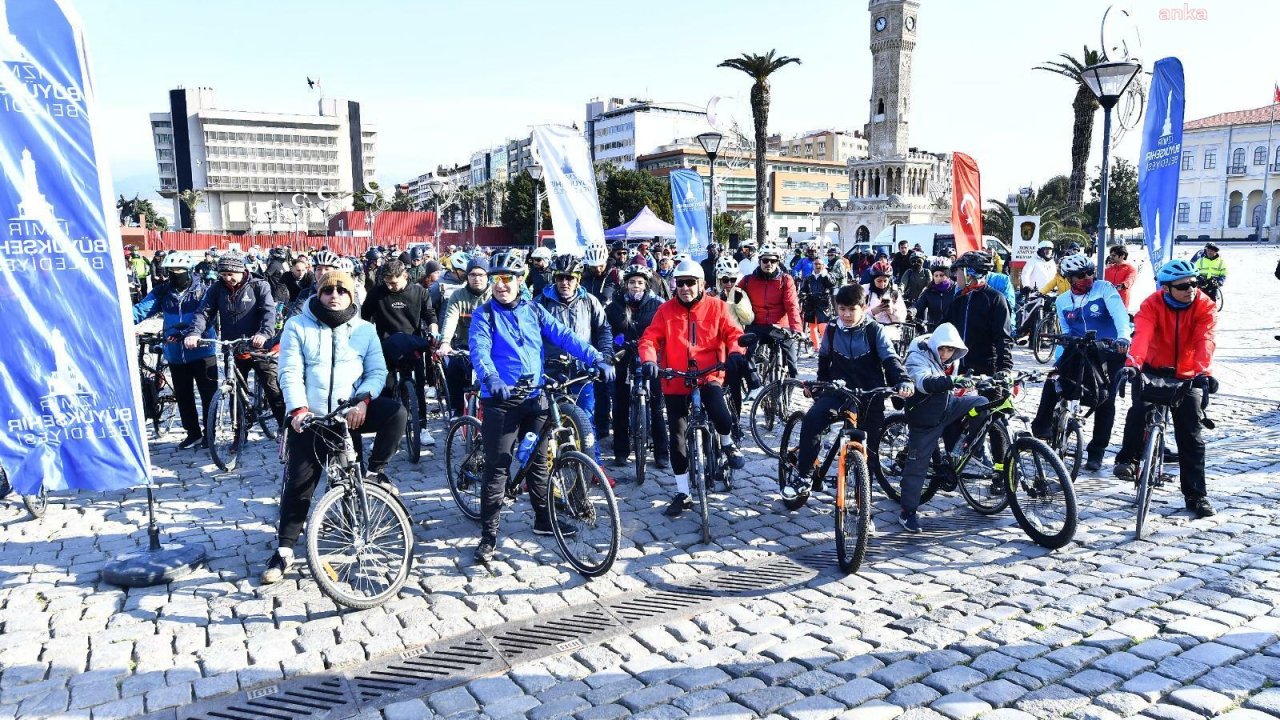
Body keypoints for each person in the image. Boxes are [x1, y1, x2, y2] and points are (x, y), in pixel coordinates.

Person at [468, 250, 616, 563]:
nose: (501, 285)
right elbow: (479, 351)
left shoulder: (534, 310)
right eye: (496, 279)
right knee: (497, 467)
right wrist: (491, 378)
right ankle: (489, 535)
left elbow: (565, 336)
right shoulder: (485, 315)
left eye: (508, 278)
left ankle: (542, 519)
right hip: (502, 400)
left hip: (534, 397)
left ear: (520, 281)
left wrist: (596, 358)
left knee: (537, 460)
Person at [263, 270, 407, 584]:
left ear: (351, 294)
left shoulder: (365, 330)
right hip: (311, 417)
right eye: (329, 290)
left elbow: (376, 372)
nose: (335, 295)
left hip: (348, 412)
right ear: (319, 292)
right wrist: (298, 409)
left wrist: (363, 401)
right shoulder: (297, 325)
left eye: (342, 290)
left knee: (396, 412)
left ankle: (375, 472)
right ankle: (284, 550)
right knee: (299, 487)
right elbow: (289, 372)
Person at [638, 259, 749, 517]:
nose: (685, 288)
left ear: (702, 284)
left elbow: (734, 334)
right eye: (680, 283)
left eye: (690, 283)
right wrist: (649, 360)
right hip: (675, 378)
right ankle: (683, 493)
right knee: (677, 439)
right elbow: (649, 339)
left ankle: (727, 443)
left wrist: (735, 353)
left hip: (708, 373)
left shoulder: (717, 307)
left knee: (719, 410)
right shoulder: (665, 310)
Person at [784, 284, 913, 500]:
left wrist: (902, 379)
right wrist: (819, 387)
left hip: (870, 394)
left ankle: (865, 506)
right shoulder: (833, 329)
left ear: (863, 307)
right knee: (812, 421)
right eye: (842, 309)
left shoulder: (874, 330)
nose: (846, 314)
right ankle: (804, 475)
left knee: (869, 452)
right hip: (838, 391)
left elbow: (890, 359)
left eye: (851, 309)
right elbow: (824, 361)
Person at [1113, 258, 1218, 518]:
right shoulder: (1152, 304)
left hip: (1187, 374)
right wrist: (1133, 364)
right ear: (1166, 288)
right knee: (1139, 410)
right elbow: (1143, 335)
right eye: (1183, 286)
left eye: (1194, 283)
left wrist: (1204, 372)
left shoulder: (1205, 305)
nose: (1190, 289)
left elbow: (1205, 338)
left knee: (1191, 437)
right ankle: (1128, 459)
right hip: (1152, 369)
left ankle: (1196, 495)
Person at [1029, 254, 1131, 471]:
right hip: (1079, 349)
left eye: (1089, 272)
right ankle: (1042, 428)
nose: (1087, 277)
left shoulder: (1104, 289)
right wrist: (1059, 358)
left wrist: (1123, 337)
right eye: (1080, 275)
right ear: (1069, 278)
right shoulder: (1062, 300)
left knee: (1105, 400)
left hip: (1108, 351)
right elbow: (1065, 332)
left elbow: (1120, 315)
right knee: (1053, 379)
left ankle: (1096, 452)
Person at [184, 253, 286, 440]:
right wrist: (194, 333)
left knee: (272, 388)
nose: (227, 278)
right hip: (233, 347)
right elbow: (204, 313)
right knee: (234, 392)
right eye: (223, 275)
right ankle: (239, 434)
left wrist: (263, 334)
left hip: (258, 346)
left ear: (242, 271)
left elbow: (268, 312)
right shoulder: (217, 289)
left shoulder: (258, 285)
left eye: (231, 274)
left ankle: (286, 430)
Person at [898, 322, 986, 532]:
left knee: (982, 403)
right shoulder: (916, 356)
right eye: (942, 349)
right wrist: (952, 381)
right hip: (925, 416)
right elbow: (923, 382)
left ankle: (969, 449)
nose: (946, 354)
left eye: (951, 349)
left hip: (947, 406)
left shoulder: (952, 360)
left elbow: (957, 381)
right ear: (934, 345)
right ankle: (907, 512)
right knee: (917, 466)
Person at [132, 252, 217, 450]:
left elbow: (208, 316)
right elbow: (141, 310)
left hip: (203, 351)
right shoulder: (163, 292)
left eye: (179, 271)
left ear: (189, 271)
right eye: (171, 271)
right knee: (183, 395)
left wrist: (190, 333)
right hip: (175, 353)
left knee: (208, 395)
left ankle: (209, 433)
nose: (175, 275)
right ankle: (193, 433)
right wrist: (117, 319)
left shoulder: (204, 291)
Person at [535, 254, 614, 456]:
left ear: (578, 279)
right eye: (560, 277)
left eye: (570, 278)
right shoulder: (541, 302)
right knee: (545, 421)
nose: (564, 283)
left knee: (586, 420)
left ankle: (594, 463)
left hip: (582, 371)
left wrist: (605, 355)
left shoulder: (589, 301)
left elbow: (603, 330)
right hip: (551, 371)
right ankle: (540, 467)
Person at [362, 259, 439, 447]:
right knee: (386, 389)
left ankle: (422, 427)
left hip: (412, 343)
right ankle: (384, 434)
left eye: (394, 282)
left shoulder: (420, 292)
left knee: (418, 385)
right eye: (387, 282)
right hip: (384, 346)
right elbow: (364, 317)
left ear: (405, 275)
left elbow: (430, 314)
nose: (390, 286)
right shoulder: (378, 293)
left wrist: (434, 329)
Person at [606, 264, 670, 468]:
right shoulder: (614, 304)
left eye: (640, 282)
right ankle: (621, 451)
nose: (636, 286)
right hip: (624, 357)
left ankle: (662, 452)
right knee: (620, 404)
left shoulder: (658, 304)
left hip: (651, 358)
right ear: (625, 284)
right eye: (632, 282)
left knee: (657, 406)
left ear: (647, 284)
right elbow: (606, 329)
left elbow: (667, 331)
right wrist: (614, 344)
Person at [436, 258, 491, 417]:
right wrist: (445, 342)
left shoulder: (493, 295)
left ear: (488, 276)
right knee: (453, 369)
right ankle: (456, 410)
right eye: (472, 274)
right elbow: (450, 319)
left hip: (490, 346)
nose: (477, 278)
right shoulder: (457, 295)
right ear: (467, 276)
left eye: (481, 274)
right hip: (464, 346)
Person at [943, 252, 1013, 378]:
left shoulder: (995, 299)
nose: (955, 276)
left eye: (958, 272)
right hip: (959, 369)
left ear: (969, 274)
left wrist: (1005, 368)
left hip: (986, 371)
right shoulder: (959, 298)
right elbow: (945, 327)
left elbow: (1003, 337)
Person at [739, 243, 803, 381]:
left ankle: (792, 386)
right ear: (760, 260)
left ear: (778, 262)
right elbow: (735, 299)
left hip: (780, 325)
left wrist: (796, 328)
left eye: (773, 260)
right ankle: (755, 386)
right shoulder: (748, 280)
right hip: (757, 324)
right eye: (765, 260)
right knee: (744, 353)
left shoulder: (785, 280)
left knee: (792, 360)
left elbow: (791, 305)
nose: (769, 263)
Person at [801, 256, 836, 357]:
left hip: (823, 304)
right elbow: (803, 289)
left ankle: (826, 346)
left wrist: (827, 292)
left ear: (823, 265)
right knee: (812, 327)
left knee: (823, 326)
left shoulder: (826, 276)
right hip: (811, 303)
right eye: (815, 264)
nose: (817, 266)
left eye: (819, 264)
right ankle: (817, 347)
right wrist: (803, 294)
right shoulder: (808, 277)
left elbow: (832, 286)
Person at [864, 260, 907, 343]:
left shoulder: (894, 292)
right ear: (873, 279)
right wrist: (872, 311)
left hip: (890, 334)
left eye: (885, 281)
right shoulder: (864, 291)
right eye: (879, 281)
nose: (882, 284)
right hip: (868, 332)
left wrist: (891, 312)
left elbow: (901, 319)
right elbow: (856, 313)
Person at [914, 262, 956, 332]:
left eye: (941, 275)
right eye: (936, 276)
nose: (938, 278)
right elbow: (919, 305)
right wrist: (911, 311)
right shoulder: (928, 292)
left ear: (948, 275)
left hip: (953, 330)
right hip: (934, 330)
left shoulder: (956, 290)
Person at [1103, 244, 1138, 310]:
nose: (1111, 257)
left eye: (1114, 255)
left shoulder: (1130, 268)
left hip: (1121, 300)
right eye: (1110, 255)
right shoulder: (1109, 268)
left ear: (1122, 256)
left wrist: (1123, 285)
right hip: (1107, 299)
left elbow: (1131, 279)